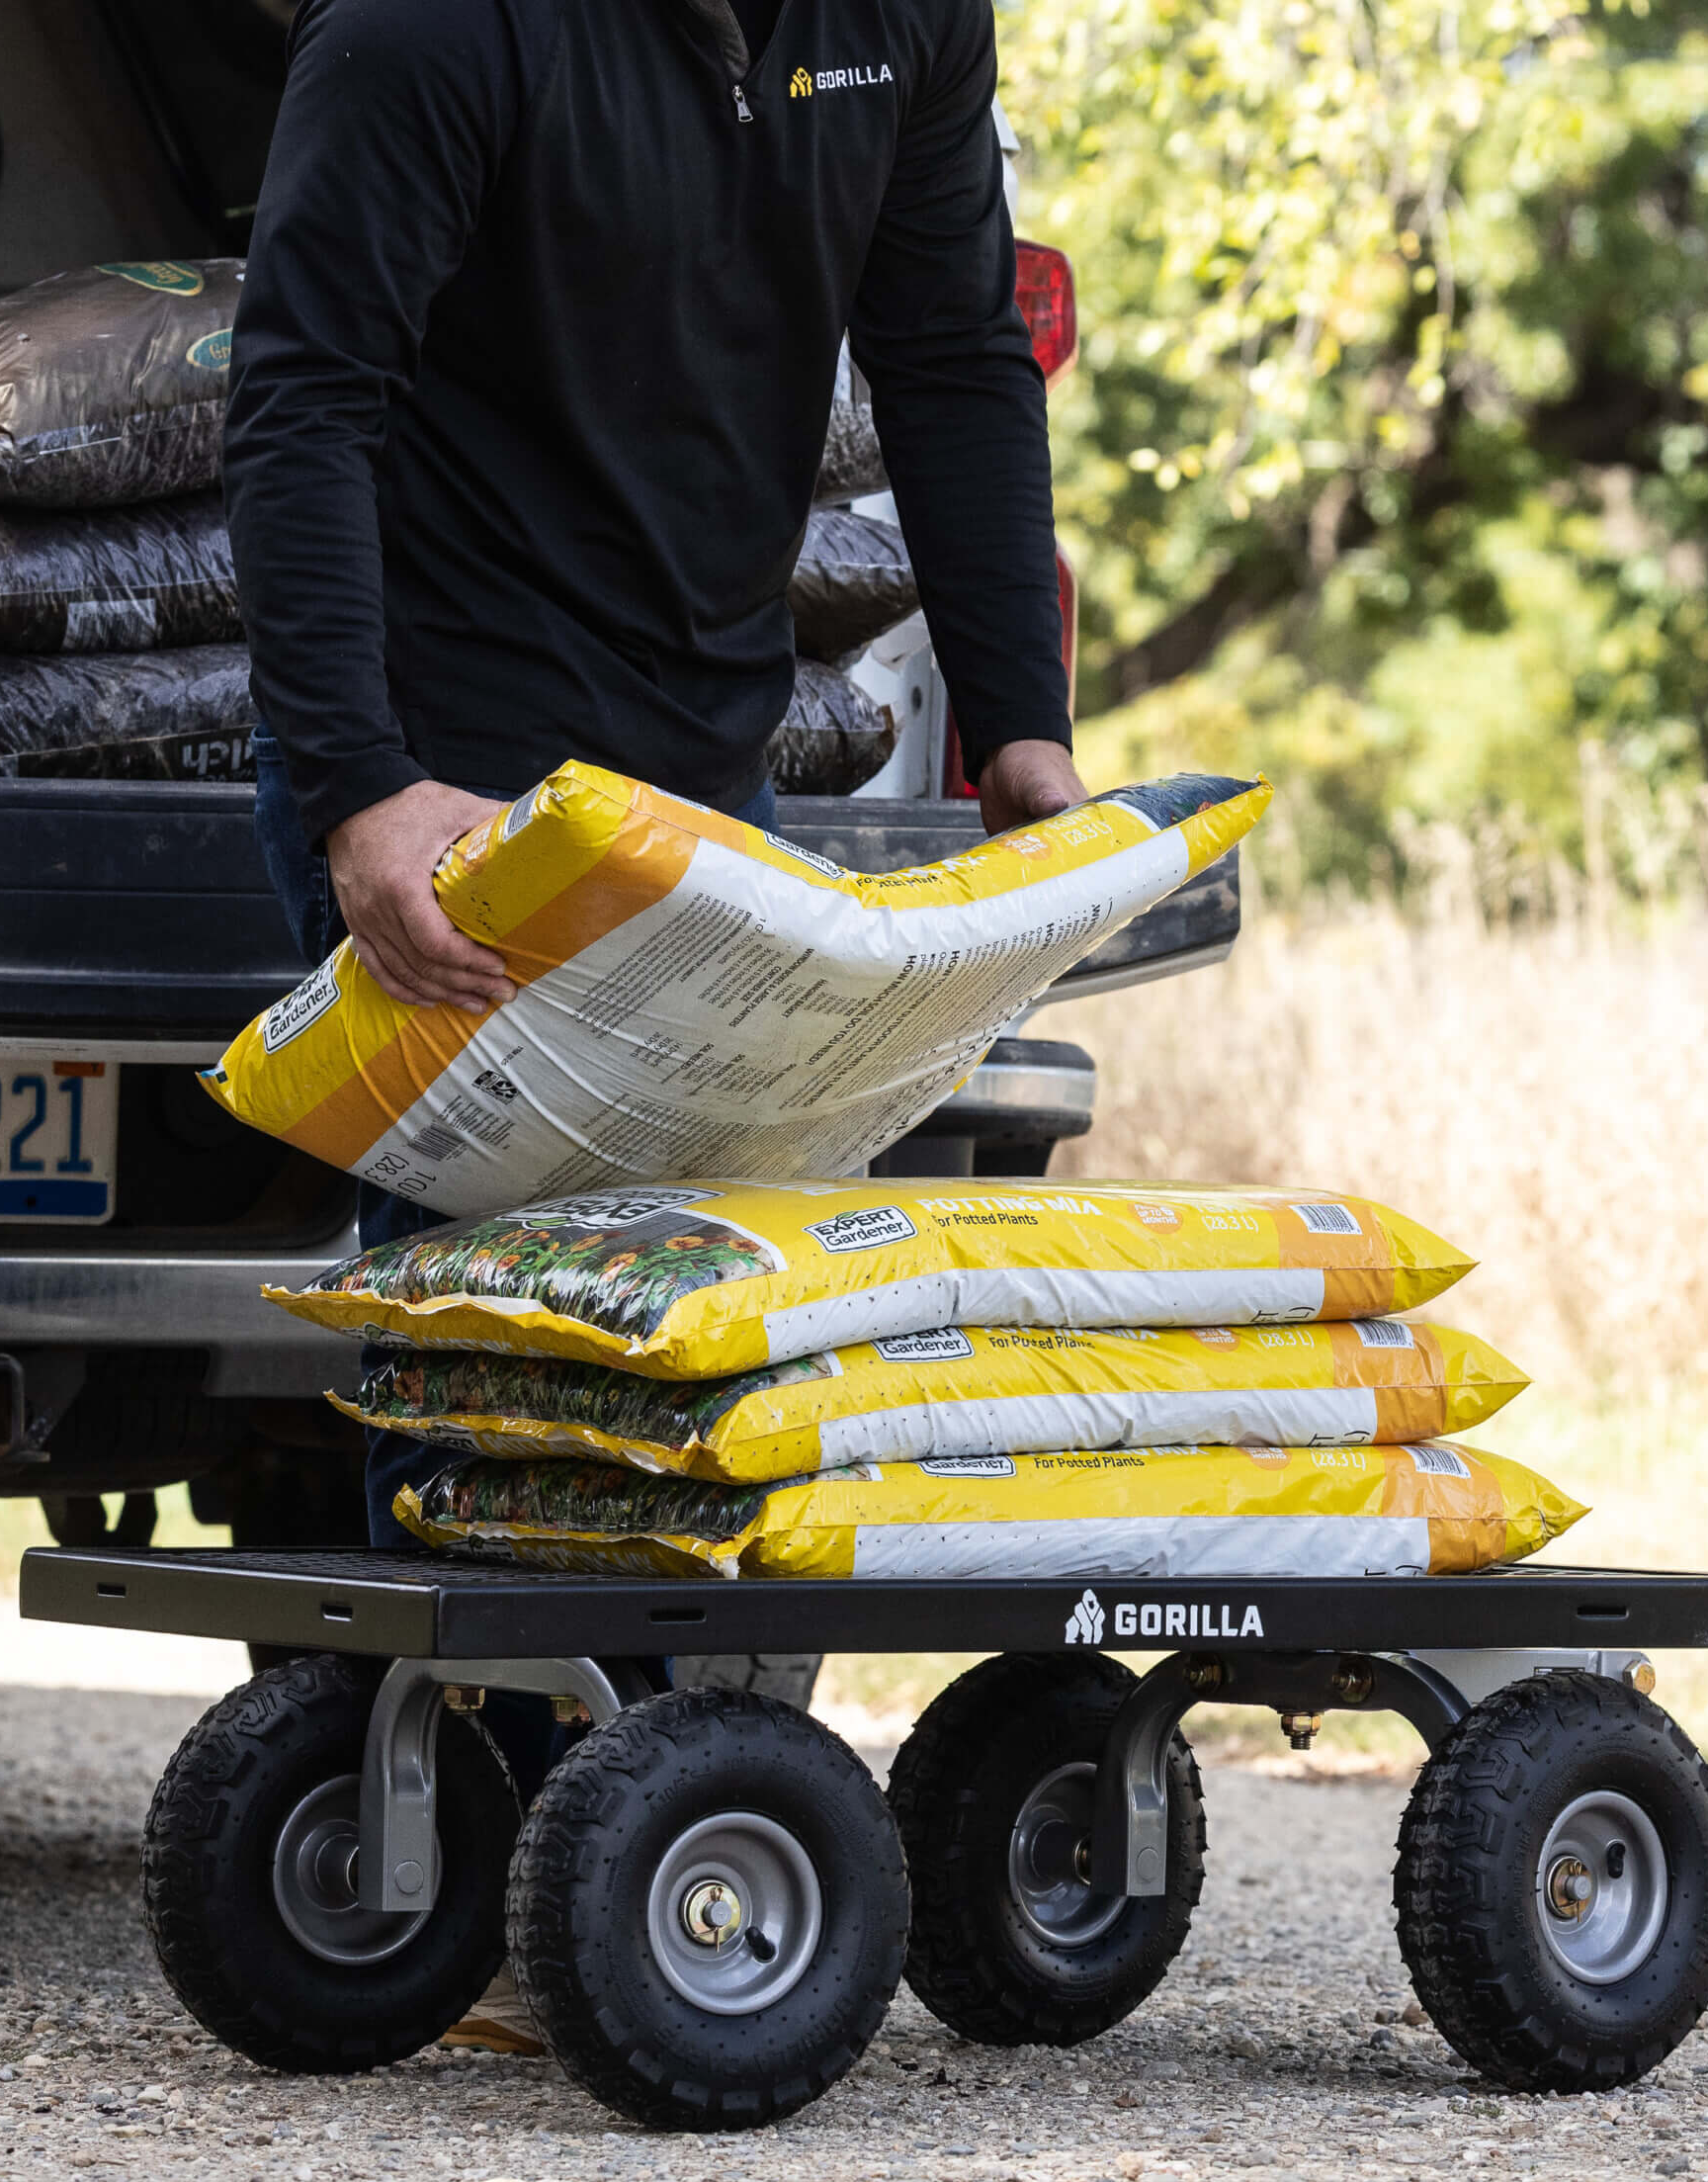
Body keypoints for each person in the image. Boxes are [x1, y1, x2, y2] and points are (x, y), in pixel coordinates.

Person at [226, 0, 1085, 2048]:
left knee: (694, 1303)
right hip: (449, 769)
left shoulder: (898, 21)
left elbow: (955, 353)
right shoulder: (437, 31)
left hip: (707, 761)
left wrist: (1024, 729)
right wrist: (356, 785)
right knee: (467, 1294)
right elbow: (302, 394)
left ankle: (630, 1843)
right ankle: (469, 1872)